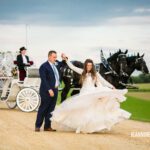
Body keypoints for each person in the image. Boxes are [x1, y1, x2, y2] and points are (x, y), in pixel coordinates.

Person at [51, 54, 131, 133]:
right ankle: (80, 126)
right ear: (85, 66)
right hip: (84, 93)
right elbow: (72, 67)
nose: (89, 67)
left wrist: (111, 87)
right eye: (87, 65)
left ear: (92, 66)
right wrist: (66, 60)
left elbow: (103, 82)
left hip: (92, 92)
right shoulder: (82, 72)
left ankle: (90, 127)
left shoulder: (95, 74)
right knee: (82, 110)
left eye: (90, 65)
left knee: (91, 111)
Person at [35, 50, 62, 132]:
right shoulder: (43, 66)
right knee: (43, 108)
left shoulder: (56, 64)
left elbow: (63, 63)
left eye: (56, 57)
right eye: (54, 57)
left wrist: (65, 57)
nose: (55, 59)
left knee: (51, 109)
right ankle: (37, 126)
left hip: (55, 89)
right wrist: (49, 89)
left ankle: (47, 126)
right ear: (49, 57)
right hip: (46, 91)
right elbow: (44, 80)